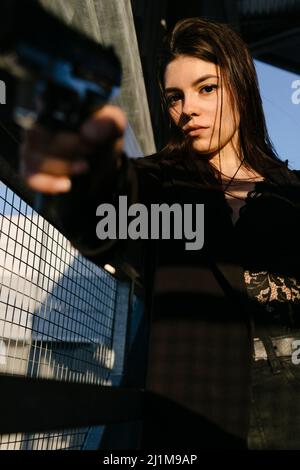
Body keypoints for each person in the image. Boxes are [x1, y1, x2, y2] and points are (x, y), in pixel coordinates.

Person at [20, 17, 300, 449]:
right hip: (195, 425)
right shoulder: (157, 182)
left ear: (241, 86)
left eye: (207, 88)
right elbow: (103, 214)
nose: (187, 108)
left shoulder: (293, 192)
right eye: (174, 97)